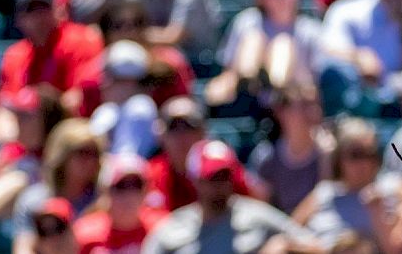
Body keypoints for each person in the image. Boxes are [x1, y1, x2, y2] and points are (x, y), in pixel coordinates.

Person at [144, 140, 313, 253]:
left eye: (224, 176)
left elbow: (315, 245)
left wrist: (284, 244)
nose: (219, 185)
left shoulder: (256, 217)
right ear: (195, 180)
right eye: (212, 178)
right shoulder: (173, 228)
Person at [207, 0, 321, 106]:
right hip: (248, 96)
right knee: (253, 40)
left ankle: (274, 88)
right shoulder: (247, 21)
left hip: (292, 103)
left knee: (282, 44)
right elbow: (229, 73)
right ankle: (251, 86)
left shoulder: (311, 31)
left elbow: (315, 85)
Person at [291, 118, 402, 251]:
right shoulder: (324, 191)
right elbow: (291, 229)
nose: (364, 162)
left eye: (369, 154)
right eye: (355, 154)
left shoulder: (391, 186)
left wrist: (400, 215)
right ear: (339, 158)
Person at [0, 0, 106, 117]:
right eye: (30, 10)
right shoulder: (14, 55)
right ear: (19, 19)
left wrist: (31, 108)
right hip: (26, 129)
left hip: (70, 126)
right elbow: (3, 107)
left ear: (59, 9)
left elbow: (80, 98)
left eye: (44, 7)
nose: (38, 16)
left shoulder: (82, 40)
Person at [11, 118, 104, 253]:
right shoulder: (35, 201)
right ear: (63, 156)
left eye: (95, 153)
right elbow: (23, 248)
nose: (90, 160)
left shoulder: (103, 198)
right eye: (82, 152)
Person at [248, 84, 329, 214]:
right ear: (281, 112)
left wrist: (327, 158)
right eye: (304, 105)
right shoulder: (265, 157)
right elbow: (261, 209)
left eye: (316, 104)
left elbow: (329, 202)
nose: (313, 112)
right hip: (280, 230)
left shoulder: (331, 153)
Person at [74, 152, 168, 254]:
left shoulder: (162, 228)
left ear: (146, 191)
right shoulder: (84, 234)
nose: (129, 195)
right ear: (105, 190)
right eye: (121, 186)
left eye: (136, 185)